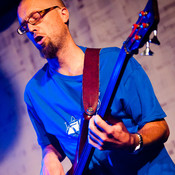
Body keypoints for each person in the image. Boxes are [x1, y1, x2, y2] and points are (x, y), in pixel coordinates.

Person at [17, 0, 175, 174]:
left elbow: (160, 127)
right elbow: (50, 145)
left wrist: (131, 141)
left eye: (36, 17)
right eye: (24, 26)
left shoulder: (114, 61)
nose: (31, 29)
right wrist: (49, 158)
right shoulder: (34, 93)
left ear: (63, 14)